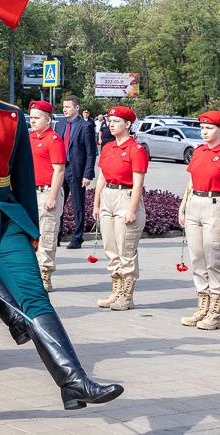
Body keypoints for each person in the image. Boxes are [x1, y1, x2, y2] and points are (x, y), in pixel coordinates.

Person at [0, 27, 123, 431]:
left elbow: (22, 177)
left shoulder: (11, 115)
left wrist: (29, 228)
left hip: (5, 223)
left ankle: (74, 381)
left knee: (35, 300)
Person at [179, 111, 220, 331]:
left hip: (217, 206)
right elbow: (190, 182)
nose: (205, 132)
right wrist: (183, 206)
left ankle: (215, 312)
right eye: (203, 128)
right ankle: (202, 306)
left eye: (210, 128)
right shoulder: (199, 151)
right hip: (195, 204)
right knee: (197, 258)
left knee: (215, 260)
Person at [92, 106, 149, 311]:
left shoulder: (136, 149)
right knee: (111, 249)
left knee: (126, 250)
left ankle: (127, 295)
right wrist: (96, 203)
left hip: (126, 197)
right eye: (110, 121)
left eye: (116, 121)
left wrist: (132, 210)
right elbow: (101, 178)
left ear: (128, 124)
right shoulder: (108, 147)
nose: (111, 124)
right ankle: (116, 291)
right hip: (108, 195)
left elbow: (138, 183)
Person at [27, 100, 66, 292]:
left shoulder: (54, 139)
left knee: (47, 235)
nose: (32, 121)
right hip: (31, 192)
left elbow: (59, 170)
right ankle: (33, 273)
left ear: (48, 120)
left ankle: (45, 275)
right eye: (31, 117)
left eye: (37, 118)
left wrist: (52, 196)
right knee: (32, 235)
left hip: (48, 192)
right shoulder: (30, 138)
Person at [54, 96, 97, 248]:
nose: (65, 109)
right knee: (57, 204)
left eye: (68, 107)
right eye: (64, 107)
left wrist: (87, 174)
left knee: (78, 205)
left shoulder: (85, 126)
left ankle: (77, 238)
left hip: (77, 170)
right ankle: (56, 236)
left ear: (77, 108)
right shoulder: (59, 125)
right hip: (60, 169)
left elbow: (91, 153)